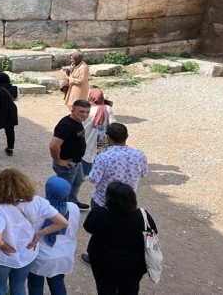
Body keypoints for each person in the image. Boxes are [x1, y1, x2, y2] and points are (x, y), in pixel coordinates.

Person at [0, 168, 68, 295]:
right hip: (27, 252)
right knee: (18, 286)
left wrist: (3, 245)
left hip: (1, 256)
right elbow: (63, 222)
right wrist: (40, 234)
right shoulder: (38, 201)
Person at [80, 123, 149, 266]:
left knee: (100, 230)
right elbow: (144, 173)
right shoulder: (140, 154)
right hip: (128, 198)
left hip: (103, 199)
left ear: (108, 137)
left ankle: (94, 257)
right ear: (126, 136)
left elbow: (93, 179)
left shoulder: (104, 157)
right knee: (122, 227)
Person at [83, 182, 157, 295]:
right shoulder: (142, 215)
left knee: (105, 289)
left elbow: (88, 228)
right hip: (134, 264)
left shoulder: (99, 213)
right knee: (130, 289)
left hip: (104, 262)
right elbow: (152, 235)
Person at [27, 177, 81, 295]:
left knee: (35, 284)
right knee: (57, 284)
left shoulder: (39, 209)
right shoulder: (73, 208)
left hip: (40, 256)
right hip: (63, 254)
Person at [49, 100, 91, 210]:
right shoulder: (66, 125)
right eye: (81, 111)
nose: (85, 114)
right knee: (64, 188)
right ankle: (61, 208)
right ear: (73, 110)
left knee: (78, 181)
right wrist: (59, 161)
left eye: (87, 112)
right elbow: (53, 145)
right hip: (67, 165)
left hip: (77, 162)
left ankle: (72, 202)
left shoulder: (77, 121)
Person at [82, 88, 116, 175]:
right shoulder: (107, 108)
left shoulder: (85, 108)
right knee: (100, 154)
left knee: (86, 152)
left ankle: (86, 172)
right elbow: (112, 123)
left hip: (86, 133)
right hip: (101, 134)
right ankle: (99, 171)